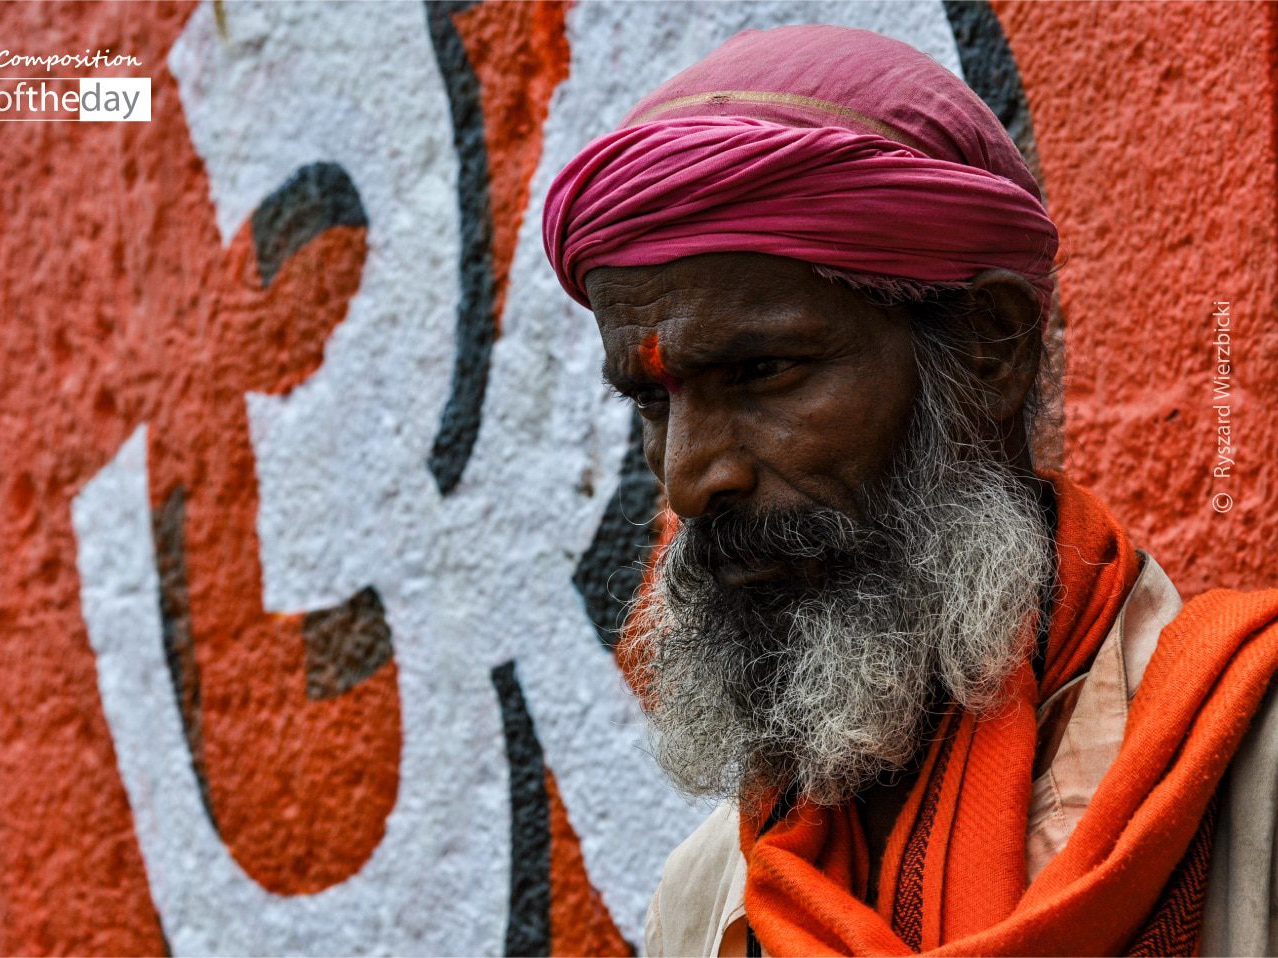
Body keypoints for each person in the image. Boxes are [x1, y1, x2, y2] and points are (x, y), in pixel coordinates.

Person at [541, 24, 1278, 957]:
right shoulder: (708, 901)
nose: (691, 479)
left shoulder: (1249, 773)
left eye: (762, 370)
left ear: (991, 348)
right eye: (653, 400)